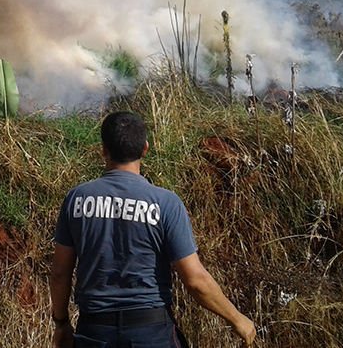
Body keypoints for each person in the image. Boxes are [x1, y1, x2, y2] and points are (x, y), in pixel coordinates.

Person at [50, 111, 255, 348]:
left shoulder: (77, 198)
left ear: (103, 150)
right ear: (145, 149)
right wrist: (237, 319)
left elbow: (59, 273)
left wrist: (61, 322)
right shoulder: (165, 203)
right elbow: (195, 280)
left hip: (94, 332)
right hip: (151, 333)